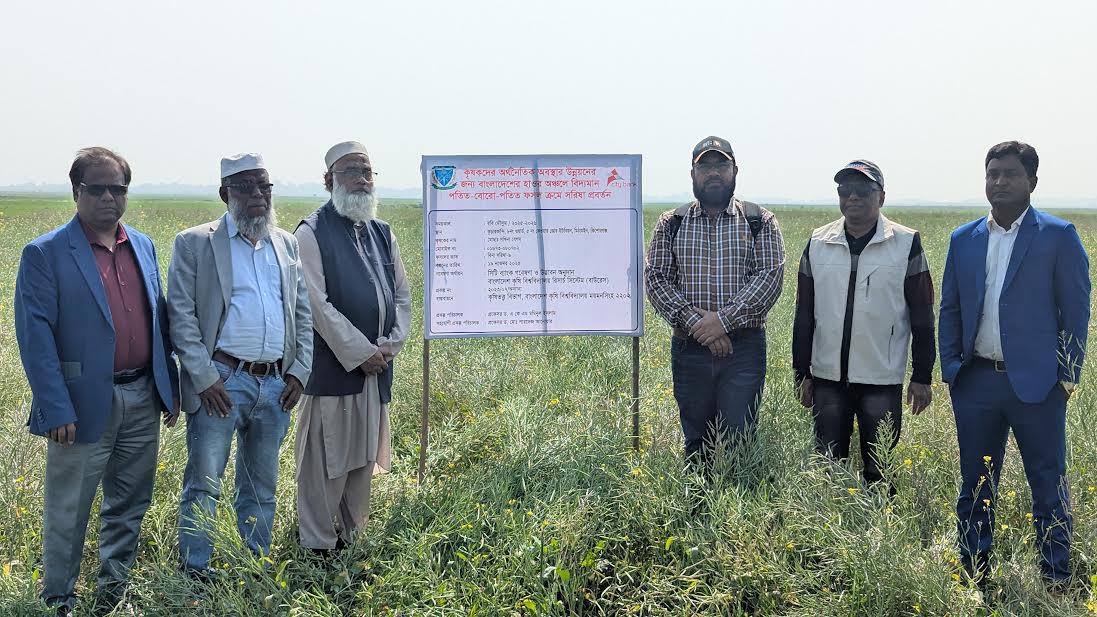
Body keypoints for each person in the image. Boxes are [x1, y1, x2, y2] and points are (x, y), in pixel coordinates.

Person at [14, 147, 179, 613]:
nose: (109, 197)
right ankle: (59, 598)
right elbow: (36, 338)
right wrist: (55, 407)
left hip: (142, 395)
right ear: (76, 191)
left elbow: (158, 320)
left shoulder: (142, 245)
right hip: (81, 403)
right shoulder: (46, 253)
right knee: (70, 509)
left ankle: (114, 591)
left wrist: (170, 387)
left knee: (129, 503)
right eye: (97, 188)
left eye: (118, 188)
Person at [939, 141, 1090, 591]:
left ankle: (1056, 578)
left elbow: (1076, 312)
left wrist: (1066, 377)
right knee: (976, 485)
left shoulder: (1057, 236)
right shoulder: (964, 239)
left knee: (1047, 483)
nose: (999, 182)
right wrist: (953, 371)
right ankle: (973, 574)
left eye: (1009, 174)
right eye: (992, 174)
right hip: (977, 383)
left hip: (1038, 388)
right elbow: (950, 309)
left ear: (1032, 182)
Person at [168, 153, 313, 576]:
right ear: (224, 193)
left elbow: (301, 313)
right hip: (221, 382)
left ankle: (255, 564)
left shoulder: (285, 243)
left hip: (275, 384)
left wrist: (299, 371)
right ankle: (197, 569)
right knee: (204, 484)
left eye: (264, 186)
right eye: (246, 187)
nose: (257, 196)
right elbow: (181, 316)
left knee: (261, 486)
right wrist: (204, 376)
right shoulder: (195, 242)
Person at [293, 141, 411, 555]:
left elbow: (402, 298)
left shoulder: (381, 232)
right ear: (330, 181)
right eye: (351, 172)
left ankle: (350, 539)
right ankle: (317, 545)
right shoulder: (310, 232)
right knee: (326, 462)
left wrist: (389, 347)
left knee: (361, 462)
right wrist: (362, 352)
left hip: (376, 371)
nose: (362, 180)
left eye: (367, 172)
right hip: (335, 372)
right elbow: (315, 304)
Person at [792, 160, 934, 489]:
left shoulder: (906, 243)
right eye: (845, 190)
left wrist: (922, 376)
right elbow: (804, 314)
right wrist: (802, 372)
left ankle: (877, 534)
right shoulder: (817, 242)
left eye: (863, 190)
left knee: (879, 470)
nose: (852, 197)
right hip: (827, 379)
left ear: (881, 197)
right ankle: (829, 536)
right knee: (828, 469)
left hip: (880, 379)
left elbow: (923, 316)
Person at [645, 136, 785, 465]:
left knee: (740, 437)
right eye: (704, 166)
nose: (713, 173)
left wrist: (722, 322)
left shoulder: (759, 221)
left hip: (743, 350)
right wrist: (698, 326)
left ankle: (739, 512)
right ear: (692, 174)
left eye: (721, 165)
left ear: (735, 170)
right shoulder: (672, 223)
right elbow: (656, 278)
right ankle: (699, 508)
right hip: (689, 348)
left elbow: (768, 278)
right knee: (697, 440)